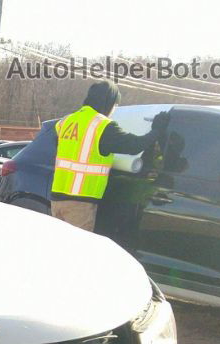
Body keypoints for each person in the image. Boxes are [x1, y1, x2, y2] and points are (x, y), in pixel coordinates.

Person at [50, 80, 169, 232]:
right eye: (115, 105)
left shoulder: (66, 121)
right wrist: (157, 130)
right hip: (79, 202)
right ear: (109, 102)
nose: (114, 109)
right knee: (77, 250)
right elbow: (134, 145)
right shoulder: (102, 125)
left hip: (57, 198)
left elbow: (63, 150)